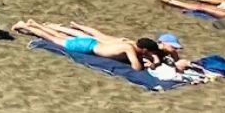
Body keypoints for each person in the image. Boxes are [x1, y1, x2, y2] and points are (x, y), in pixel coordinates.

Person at [12, 21, 159, 71]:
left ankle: (34, 24)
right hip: (87, 47)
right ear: (145, 49)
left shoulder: (129, 42)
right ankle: (26, 26)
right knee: (53, 39)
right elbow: (136, 68)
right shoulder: (129, 48)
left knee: (59, 37)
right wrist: (147, 63)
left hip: (92, 43)